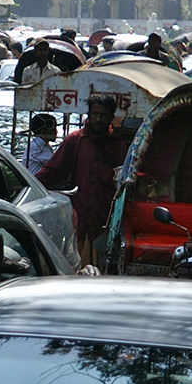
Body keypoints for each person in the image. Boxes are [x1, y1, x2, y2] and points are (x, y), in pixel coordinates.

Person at [35, 93, 130, 266]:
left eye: (103, 115)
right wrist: (29, 184)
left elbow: (124, 182)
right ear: (89, 114)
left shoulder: (118, 145)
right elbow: (53, 171)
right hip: (79, 218)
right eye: (95, 114)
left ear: (111, 117)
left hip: (106, 220)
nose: (98, 119)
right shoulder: (75, 141)